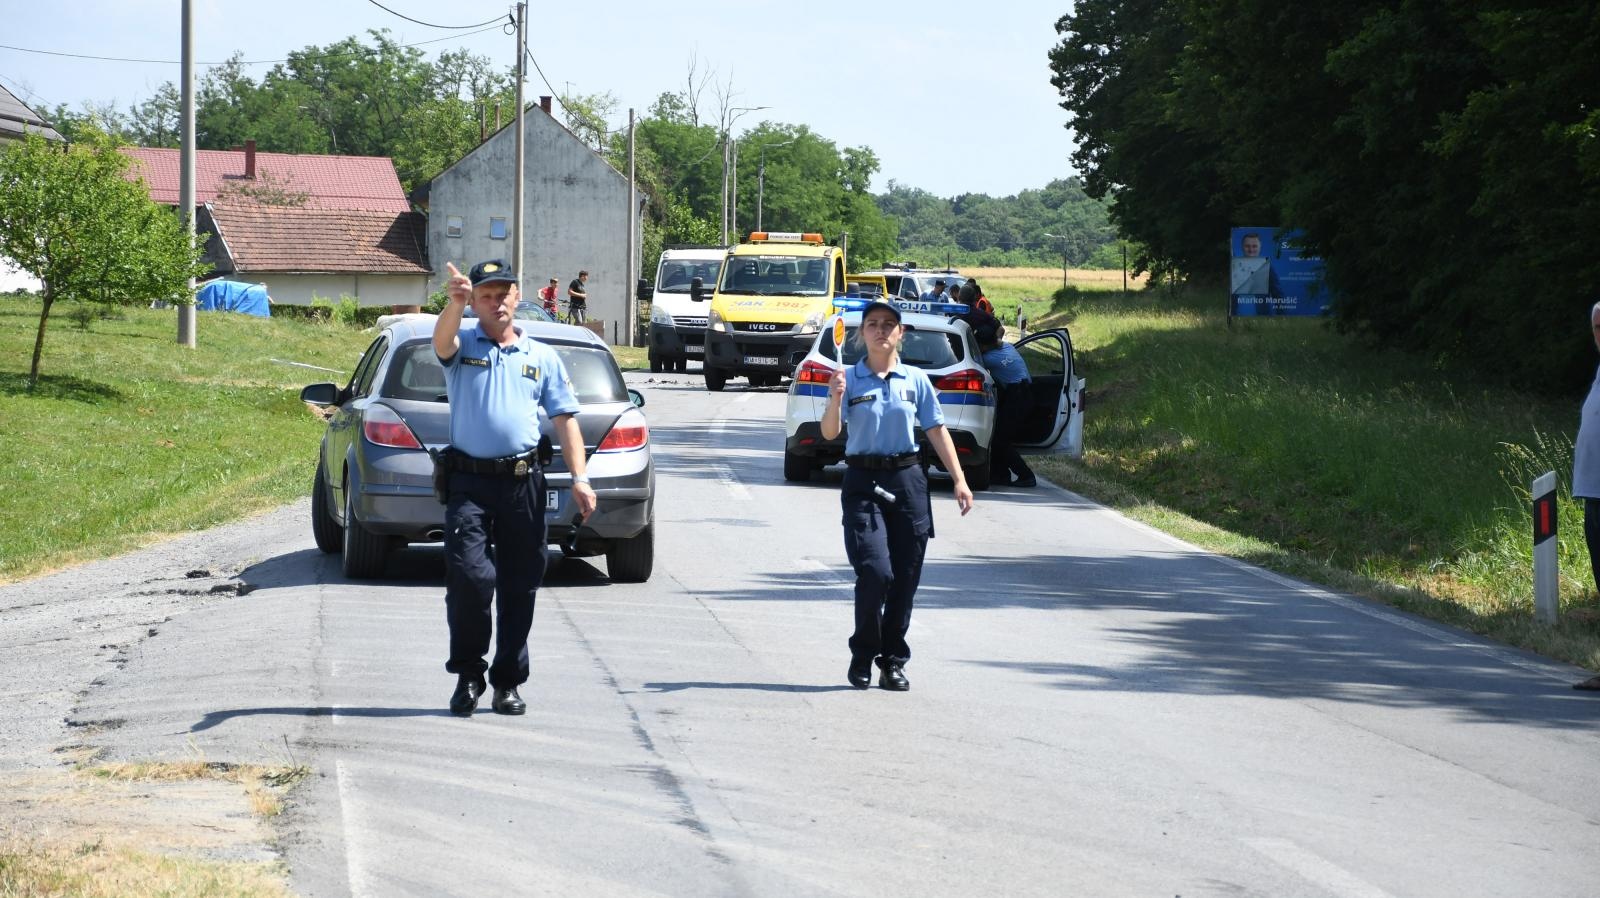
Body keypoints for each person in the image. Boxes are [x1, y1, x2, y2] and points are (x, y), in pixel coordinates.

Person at [432, 259, 598, 716]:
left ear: (515, 295)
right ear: (476, 301)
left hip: (523, 483)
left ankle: (507, 681)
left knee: (520, 584)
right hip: (469, 482)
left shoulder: (541, 356)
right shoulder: (463, 343)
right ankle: (469, 674)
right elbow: (440, 341)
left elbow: (566, 421)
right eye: (485, 295)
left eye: (502, 293)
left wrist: (580, 479)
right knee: (469, 577)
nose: (496, 302)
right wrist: (455, 304)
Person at [821, 300, 974, 691]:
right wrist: (835, 398)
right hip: (863, 483)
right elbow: (828, 432)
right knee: (876, 572)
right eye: (872, 324)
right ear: (861, 334)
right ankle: (863, 652)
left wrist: (959, 479)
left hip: (908, 481)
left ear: (900, 334)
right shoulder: (848, 378)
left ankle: (892, 661)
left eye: (889, 324)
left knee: (905, 577)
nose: (881, 330)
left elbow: (937, 429)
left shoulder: (916, 380)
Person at [976, 320, 1037, 488]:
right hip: (1024, 394)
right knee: (998, 436)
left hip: (1018, 397)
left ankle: (1026, 475)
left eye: (980, 346)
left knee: (999, 440)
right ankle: (1000, 475)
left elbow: (975, 363)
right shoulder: (1008, 347)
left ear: (985, 346)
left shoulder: (988, 358)